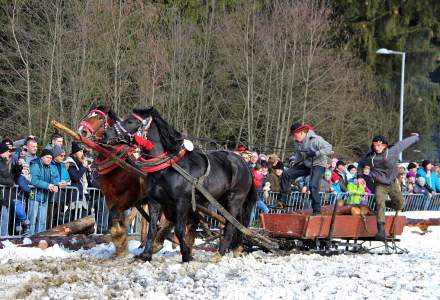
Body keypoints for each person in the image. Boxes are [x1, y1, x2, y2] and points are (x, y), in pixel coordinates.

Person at [357, 133, 419, 240]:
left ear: (385, 146)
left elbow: (403, 143)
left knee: (400, 205)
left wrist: (415, 137)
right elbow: (360, 164)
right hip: (379, 184)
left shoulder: (392, 152)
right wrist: (359, 176)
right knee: (380, 204)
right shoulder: (370, 157)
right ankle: (381, 231)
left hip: (392, 183)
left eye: (380, 145)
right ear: (373, 145)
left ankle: (384, 203)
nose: (378, 148)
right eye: (376, 145)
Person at [280, 123, 332, 214]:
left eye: (294, 135)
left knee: (312, 185)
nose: (294, 138)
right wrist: (294, 167)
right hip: (307, 164)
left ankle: (317, 210)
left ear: (301, 132)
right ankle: (281, 201)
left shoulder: (316, 139)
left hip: (318, 164)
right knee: (286, 173)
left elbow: (329, 148)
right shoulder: (297, 142)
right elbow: (299, 156)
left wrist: (316, 153)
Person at [29, 149, 60, 234]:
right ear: (42, 157)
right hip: (34, 195)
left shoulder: (51, 167)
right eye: (47, 157)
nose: (49, 159)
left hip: (45, 197)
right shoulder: (35, 165)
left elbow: (55, 178)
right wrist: (48, 185)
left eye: (50, 158)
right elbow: (34, 180)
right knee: (32, 220)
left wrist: (56, 185)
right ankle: (29, 238)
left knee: (42, 221)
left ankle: (39, 238)